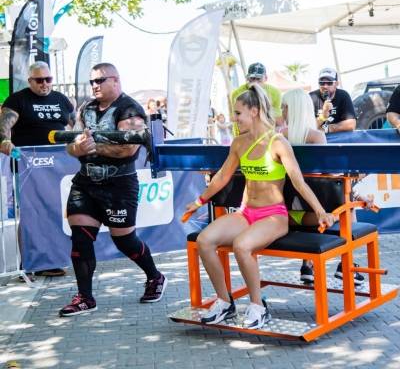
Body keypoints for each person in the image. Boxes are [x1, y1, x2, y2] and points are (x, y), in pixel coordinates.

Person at [183, 84, 334, 329]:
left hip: (274, 216)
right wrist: (199, 201)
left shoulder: (278, 142)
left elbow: (298, 181)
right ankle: (224, 301)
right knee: (204, 240)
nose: (234, 118)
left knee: (242, 246)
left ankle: (257, 306)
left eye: (238, 113)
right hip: (246, 213)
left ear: (253, 111)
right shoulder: (239, 142)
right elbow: (222, 177)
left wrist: (319, 211)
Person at [59, 62, 167, 317]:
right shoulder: (86, 108)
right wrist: (77, 148)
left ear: (115, 81)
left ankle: (155, 276)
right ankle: (85, 297)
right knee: (80, 238)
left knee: (124, 241)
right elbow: (70, 144)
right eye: (92, 82)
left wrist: (93, 146)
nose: (95, 86)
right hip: (85, 183)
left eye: (100, 80)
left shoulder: (129, 109)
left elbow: (128, 149)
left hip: (119, 185)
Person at [282, 88, 368, 285]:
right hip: (316, 214)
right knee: (349, 209)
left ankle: (307, 266)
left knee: (317, 196)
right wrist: (356, 192)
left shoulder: (279, 136)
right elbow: (330, 178)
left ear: (291, 109)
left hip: (289, 214)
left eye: (283, 108)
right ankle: (346, 265)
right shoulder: (316, 137)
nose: (281, 112)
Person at [0, 60, 74, 278]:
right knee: (31, 213)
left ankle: (51, 259)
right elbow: (3, 128)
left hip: (58, 166)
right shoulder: (18, 100)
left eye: (48, 79)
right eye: (39, 80)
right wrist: (5, 141)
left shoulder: (61, 99)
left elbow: (75, 127)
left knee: (57, 211)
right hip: (29, 167)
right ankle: (30, 262)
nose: (44, 84)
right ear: (30, 81)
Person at [231, 62, 284, 134]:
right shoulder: (237, 93)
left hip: (266, 133)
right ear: (247, 78)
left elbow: (278, 118)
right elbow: (237, 118)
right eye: (252, 79)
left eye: (259, 79)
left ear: (266, 78)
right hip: (244, 133)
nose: (255, 82)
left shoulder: (275, 93)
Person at [309, 68, 356, 134]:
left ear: (336, 84)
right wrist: (323, 116)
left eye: (329, 83)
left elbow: (351, 124)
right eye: (321, 83)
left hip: (338, 138)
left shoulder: (343, 95)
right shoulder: (311, 97)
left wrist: (327, 129)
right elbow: (307, 128)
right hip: (318, 139)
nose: (325, 86)